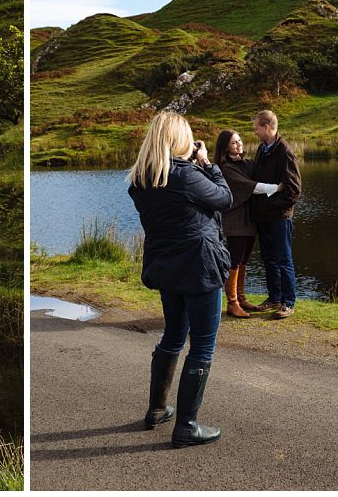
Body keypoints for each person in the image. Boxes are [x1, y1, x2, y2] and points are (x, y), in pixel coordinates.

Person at [128, 111, 231, 447]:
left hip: (167, 266)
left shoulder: (142, 179)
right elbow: (224, 198)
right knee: (202, 343)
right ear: (179, 140)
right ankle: (186, 426)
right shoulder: (185, 175)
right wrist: (208, 163)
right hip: (199, 267)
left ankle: (157, 410)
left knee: (173, 335)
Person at [214, 129, 275, 318]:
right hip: (235, 220)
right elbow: (251, 187)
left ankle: (241, 298)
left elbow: (263, 173)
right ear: (225, 147)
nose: (238, 144)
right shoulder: (225, 168)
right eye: (233, 142)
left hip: (250, 218)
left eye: (239, 141)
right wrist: (277, 188)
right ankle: (232, 303)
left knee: (244, 260)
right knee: (235, 260)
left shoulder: (248, 164)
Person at [247, 110, 301, 318]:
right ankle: (274, 298)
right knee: (268, 259)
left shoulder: (284, 151)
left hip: (279, 217)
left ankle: (288, 302)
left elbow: (294, 190)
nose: (255, 132)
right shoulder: (262, 148)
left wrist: (272, 206)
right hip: (263, 217)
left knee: (283, 259)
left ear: (267, 127)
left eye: (257, 128)